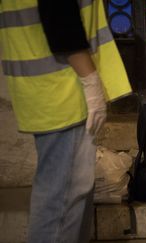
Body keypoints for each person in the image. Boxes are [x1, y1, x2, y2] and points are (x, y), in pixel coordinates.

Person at [0, 0, 131, 242]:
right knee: (61, 204)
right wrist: (91, 80)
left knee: (66, 199)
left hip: (47, 88)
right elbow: (60, 19)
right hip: (63, 89)